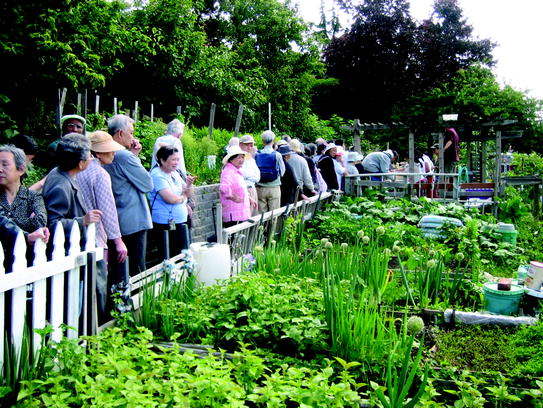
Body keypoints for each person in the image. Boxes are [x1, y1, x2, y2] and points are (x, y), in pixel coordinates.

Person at [76, 131, 128, 321]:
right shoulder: (100, 174)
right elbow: (108, 209)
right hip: (96, 236)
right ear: (97, 153)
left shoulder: (78, 170)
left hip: (76, 234)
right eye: (109, 151)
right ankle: (97, 325)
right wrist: (118, 240)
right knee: (97, 285)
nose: (113, 154)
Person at [104, 114, 153, 279]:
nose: (133, 137)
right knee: (136, 271)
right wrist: (133, 157)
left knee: (119, 271)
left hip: (117, 220)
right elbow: (147, 184)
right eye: (130, 133)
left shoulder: (107, 154)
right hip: (133, 221)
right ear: (119, 134)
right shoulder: (123, 156)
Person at [42, 134, 102, 234]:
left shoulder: (59, 172)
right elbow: (53, 224)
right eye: (90, 157)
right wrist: (83, 220)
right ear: (81, 164)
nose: (92, 159)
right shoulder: (60, 186)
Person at [149, 145, 195, 260]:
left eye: (178, 159)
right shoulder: (157, 174)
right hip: (165, 222)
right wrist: (183, 196)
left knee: (182, 253)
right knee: (170, 256)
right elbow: (171, 199)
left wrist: (189, 184)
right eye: (173, 160)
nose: (176, 163)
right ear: (162, 160)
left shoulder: (174, 173)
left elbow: (189, 193)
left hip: (180, 220)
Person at [0, 144, 49, 246]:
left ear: (21, 169)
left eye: (5, 164)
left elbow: (40, 222)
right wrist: (27, 226)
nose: (0, 169)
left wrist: (9, 221)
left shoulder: (33, 196)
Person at [219, 145, 255, 227]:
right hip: (234, 215)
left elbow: (239, 189)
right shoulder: (228, 171)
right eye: (239, 158)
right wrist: (234, 197)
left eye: (243, 157)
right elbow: (224, 188)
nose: (242, 160)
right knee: (234, 238)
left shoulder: (236, 171)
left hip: (240, 213)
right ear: (231, 159)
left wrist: (249, 198)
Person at [255, 130, 285, 213]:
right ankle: (272, 226)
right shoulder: (277, 155)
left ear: (262, 141)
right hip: (274, 187)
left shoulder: (257, 154)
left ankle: (262, 226)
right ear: (273, 141)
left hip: (260, 187)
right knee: (274, 214)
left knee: (261, 215)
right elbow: (282, 171)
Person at [239, 135, 260, 216]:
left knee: (254, 215)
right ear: (240, 145)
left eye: (251, 145)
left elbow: (258, 177)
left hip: (252, 189)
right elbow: (241, 174)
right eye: (247, 145)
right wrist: (250, 175)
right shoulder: (236, 159)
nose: (249, 147)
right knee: (245, 217)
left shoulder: (251, 160)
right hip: (243, 190)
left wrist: (248, 176)